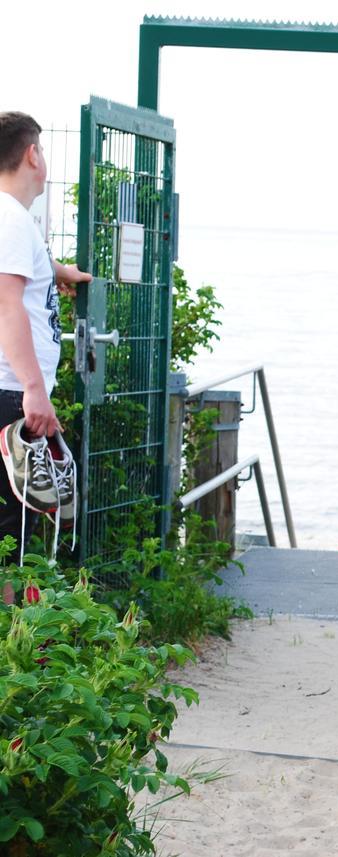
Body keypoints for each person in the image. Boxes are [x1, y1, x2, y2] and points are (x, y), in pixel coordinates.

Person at [0, 112, 90, 601]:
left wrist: (60, 272)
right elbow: (5, 301)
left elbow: (21, 267)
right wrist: (34, 390)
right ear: (33, 153)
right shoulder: (10, 218)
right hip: (11, 393)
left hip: (11, 390)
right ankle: (10, 649)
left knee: (15, 528)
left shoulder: (11, 220)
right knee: (12, 533)